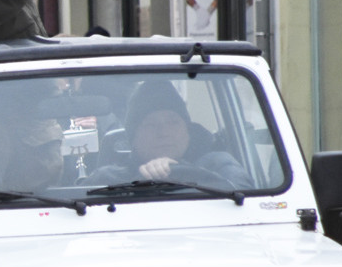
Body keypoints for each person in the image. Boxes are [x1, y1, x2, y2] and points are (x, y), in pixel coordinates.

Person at [83, 81, 250, 189]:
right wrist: (139, 179)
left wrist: (182, 170)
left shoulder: (218, 164)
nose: (163, 132)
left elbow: (246, 197)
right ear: (133, 138)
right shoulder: (110, 178)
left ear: (188, 130)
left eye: (173, 122)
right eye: (150, 124)